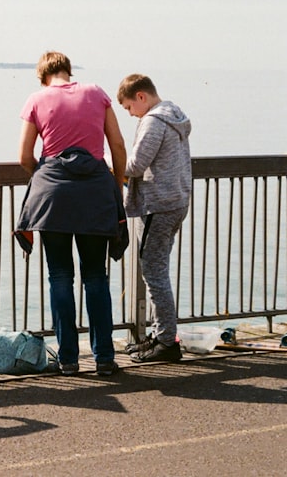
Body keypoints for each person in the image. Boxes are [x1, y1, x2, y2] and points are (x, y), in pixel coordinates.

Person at [15, 51, 127, 377]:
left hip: (54, 201)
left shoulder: (36, 99)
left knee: (60, 277)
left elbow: (24, 156)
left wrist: (49, 176)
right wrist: (115, 187)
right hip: (94, 195)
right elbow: (118, 147)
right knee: (95, 277)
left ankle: (67, 360)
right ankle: (104, 358)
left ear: (43, 75)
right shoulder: (96, 93)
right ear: (68, 70)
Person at [117, 74, 192, 363]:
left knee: (154, 272)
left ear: (141, 97)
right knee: (157, 268)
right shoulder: (175, 115)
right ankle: (161, 334)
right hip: (176, 201)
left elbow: (135, 165)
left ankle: (166, 342)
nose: (130, 114)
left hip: (158, 205)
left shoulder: (153, 121)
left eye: (127, 108)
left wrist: (106, 162)